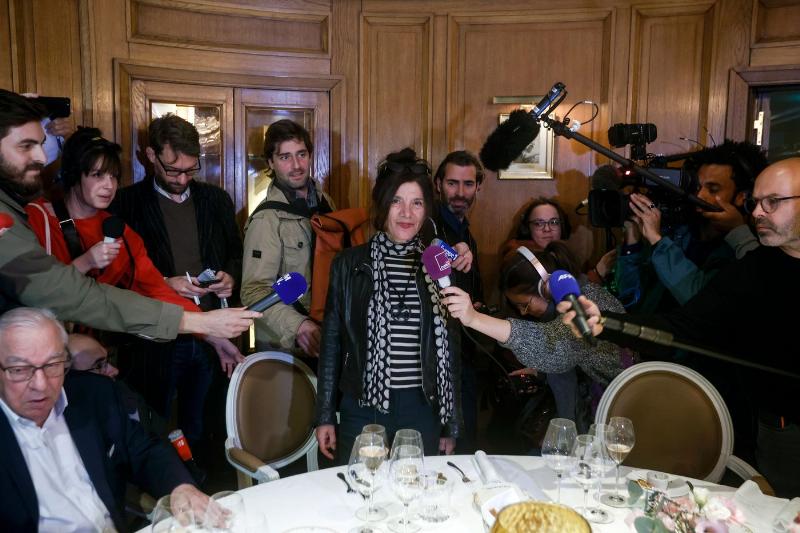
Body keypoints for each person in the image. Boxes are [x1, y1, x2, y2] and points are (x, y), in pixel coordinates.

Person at [558, 157, 800, 497]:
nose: (757, 213)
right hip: (781, 427)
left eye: (772, 202)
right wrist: (603, 323)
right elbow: (683, 327)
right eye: (755, 203)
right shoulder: (755, 268)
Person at [0, 89, 258, 340]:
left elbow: (150, 284)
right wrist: (198, 322)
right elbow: (63, 292)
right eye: (26, 146)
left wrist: (209, 332)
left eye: (113, 176)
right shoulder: (37, 217)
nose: (41, 157)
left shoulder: (117, 228)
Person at [0, 307, 213, 531]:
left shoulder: (94, 394)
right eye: (20, 369)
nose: (41, 385)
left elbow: (145, 450)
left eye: (53, 365)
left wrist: (179, 486)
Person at [315, 148, 463, 463]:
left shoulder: (438, 264)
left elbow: (450, 348)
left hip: (423, 407)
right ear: (383, 205)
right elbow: (331, 342)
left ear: (427, 211)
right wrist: (325, 414)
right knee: (361, 495)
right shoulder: (350, 263)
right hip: (363, 405)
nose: (406, 213)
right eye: (397, 201)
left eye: (417, 203)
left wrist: (451, 422)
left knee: (416, 495)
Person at [111, 115, 245, 452]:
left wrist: (230, 277)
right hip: (154, 342)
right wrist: (165, 283)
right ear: (150, 155)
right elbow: (113, 279)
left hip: (214, 338)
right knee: (156, 433)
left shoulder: (217, 201)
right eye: (173, 170)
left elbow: (236, 255)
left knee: (209, 432)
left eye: (190, 169)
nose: (183, 178)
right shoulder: (125, 204)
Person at [442, 241, 628, 432]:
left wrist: (474, 318)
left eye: (525, 305)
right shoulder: (579, 292)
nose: (523, 313)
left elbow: (552, 347)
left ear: (544, 288)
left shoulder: (585, 304)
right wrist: (541, 372)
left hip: (625, 407)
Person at [615, 140, 767, 311]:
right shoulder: (679, 230)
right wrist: (632, 242)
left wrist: (657, 240)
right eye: (697, 186)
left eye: (713, 189)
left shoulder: (749, 251)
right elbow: (630, 298)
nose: (699, 195)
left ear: (742, 196)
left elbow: (702, 301)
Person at [241, 119, 335, 357]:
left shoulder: (326, 204)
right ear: (271, 162)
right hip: (284, 347)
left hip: (327, 335)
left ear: (311, 155)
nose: (296, 165)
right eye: (285, 157)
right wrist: (299, 326)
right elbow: (254, 291)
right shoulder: (266, 219)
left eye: (301, 154)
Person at [430, 149, 484, 453]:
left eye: (468, 184)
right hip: (442, 359)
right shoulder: (431, 224)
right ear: (438, 184)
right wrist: (452, 251)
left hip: (465, 352)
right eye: (452, 183)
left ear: (478, 186)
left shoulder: (466, 231)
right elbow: (431, 251)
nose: (460, 193)